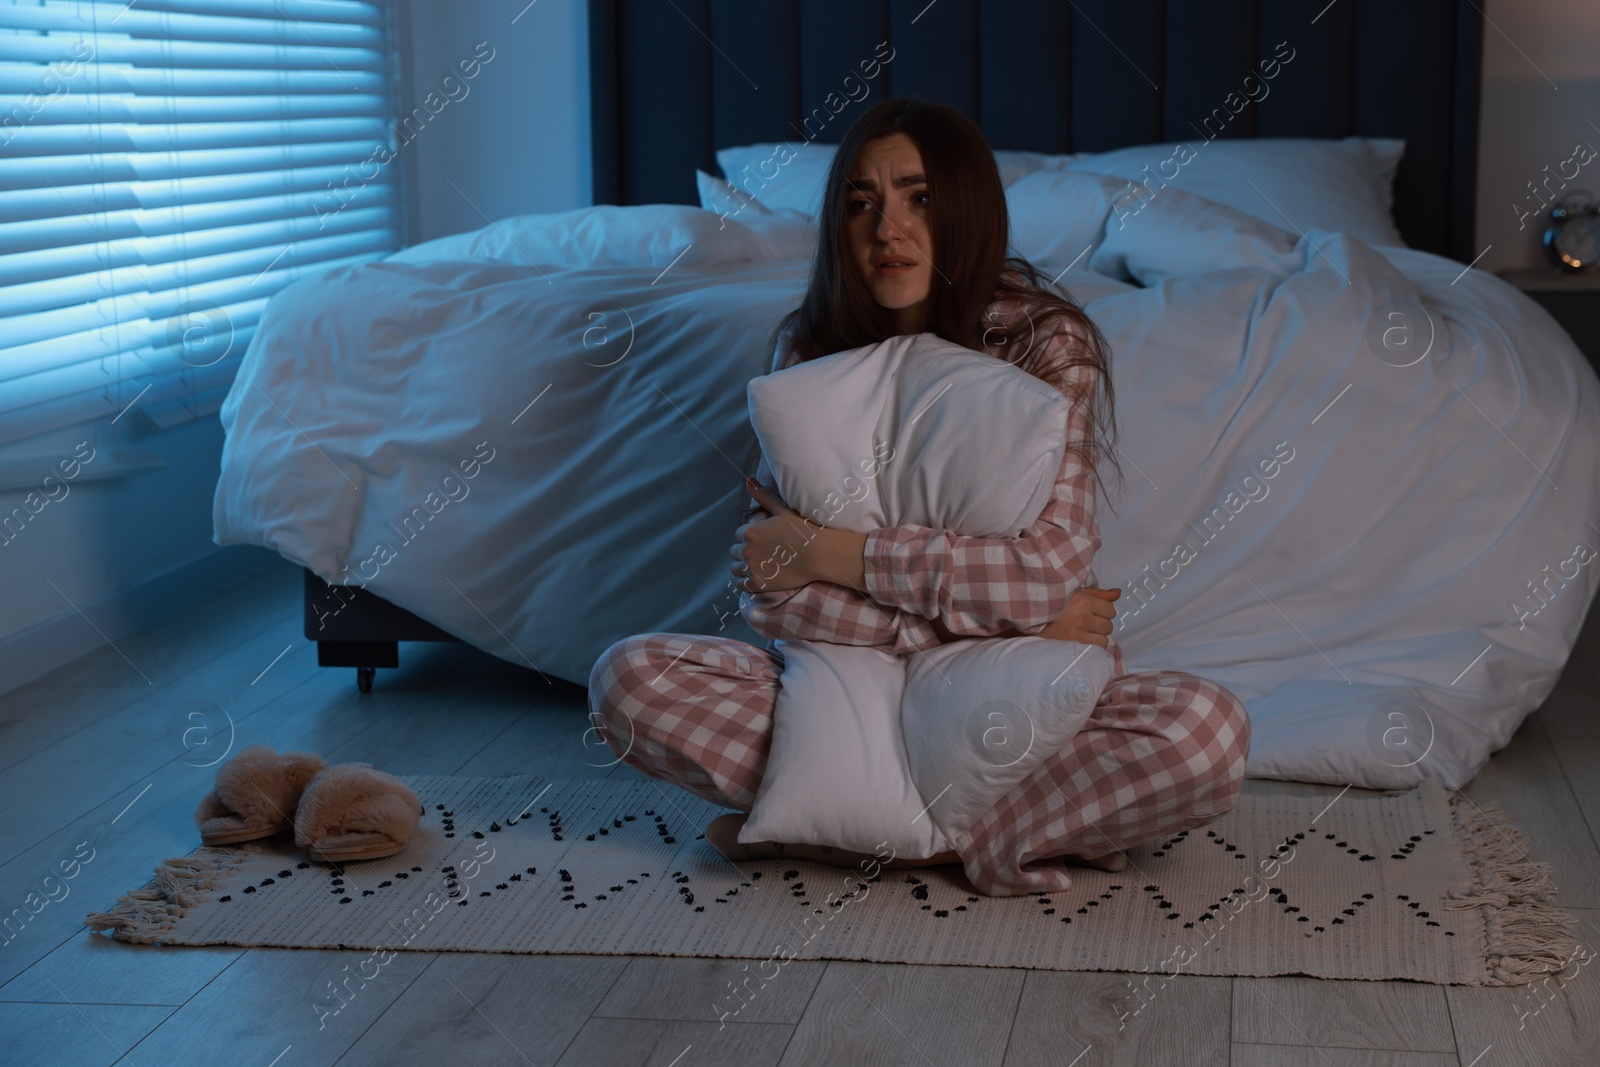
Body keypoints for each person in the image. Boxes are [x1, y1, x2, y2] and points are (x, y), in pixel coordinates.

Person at [587, 99, 1250, 896]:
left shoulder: (1046, 343)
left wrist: (839, 557)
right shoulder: (804, 348)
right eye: (861, 203)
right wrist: (1020, 615)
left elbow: (1042, 572)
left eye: (918, 197)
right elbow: (775, 603)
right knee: (627, 681)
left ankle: (853, 837)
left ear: (965, 209)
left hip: (1012, 697)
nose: (886, 229)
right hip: (840, 703)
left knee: (1204, 732)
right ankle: (1005, 837)